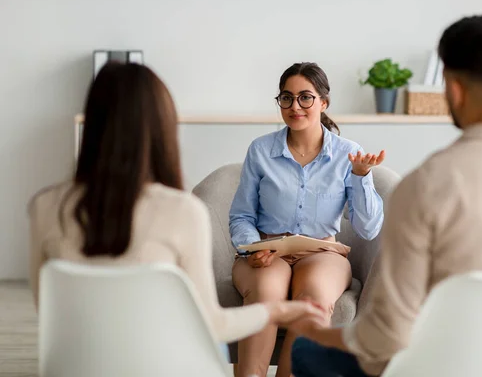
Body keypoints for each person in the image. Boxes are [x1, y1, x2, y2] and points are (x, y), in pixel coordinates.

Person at [288, 15, 482, 377]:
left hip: (432, 368)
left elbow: (384, 339)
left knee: (308, 349)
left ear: (452, 89)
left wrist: (315, 331)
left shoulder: (425, 187)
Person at [27, 63, 326, 360]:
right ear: (162, 126)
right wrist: (279, 310)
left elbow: (50, 315)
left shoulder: (44, 208)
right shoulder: (183, 212)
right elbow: (213, 325)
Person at [229, 62, 385, 377]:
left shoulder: (348, 153)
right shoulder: (261, 151)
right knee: (266, 296)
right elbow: (241, 216)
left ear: (323, 102)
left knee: (312, 302)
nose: (295, 106)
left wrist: (360, 176)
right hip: (268, 250)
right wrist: (251, 248)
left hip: (322, 253)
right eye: (286, 98)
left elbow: (368, 228)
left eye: (305, 97)